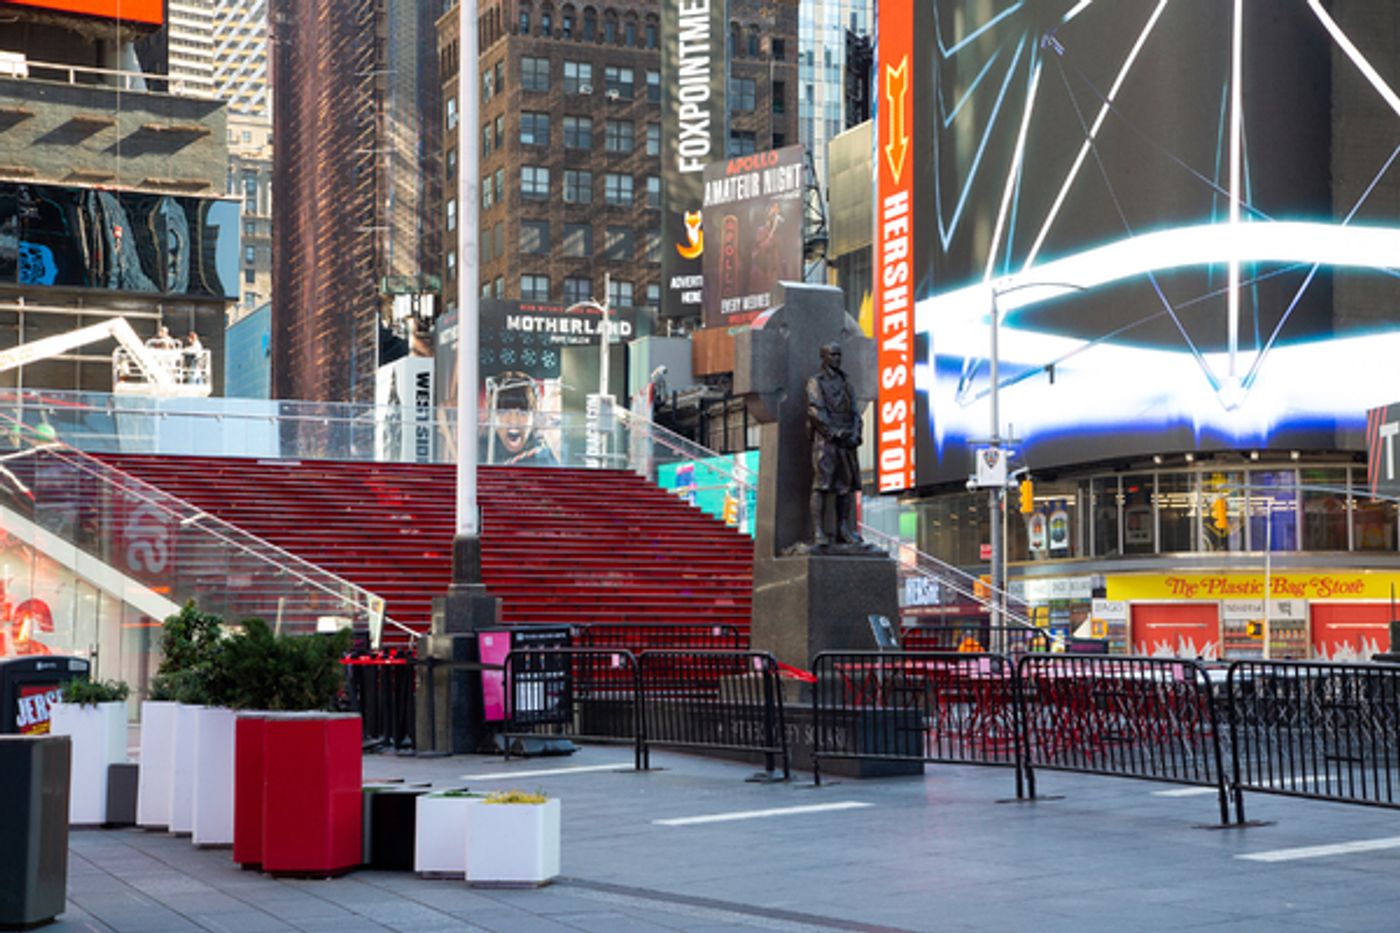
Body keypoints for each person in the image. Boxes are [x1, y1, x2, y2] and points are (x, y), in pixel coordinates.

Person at [805, 342, 862, 546]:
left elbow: (856, 412)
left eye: (839, 355)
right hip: (826, 441)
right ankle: (818, 531)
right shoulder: (816, 381)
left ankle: (843, 530)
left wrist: (856, 433)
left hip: (847, 441)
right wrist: (832, 432)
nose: (837, 358)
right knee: (821, 485)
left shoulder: (846, 382)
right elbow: (815, 410)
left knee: (845, 487)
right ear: (824, 357)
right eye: (833, 355)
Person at [488, 372, 557, 466]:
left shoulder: (547, 458)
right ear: (491, 415)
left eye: (522, 412)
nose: (513, 420)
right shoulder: (474, 452)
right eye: (503, 412)